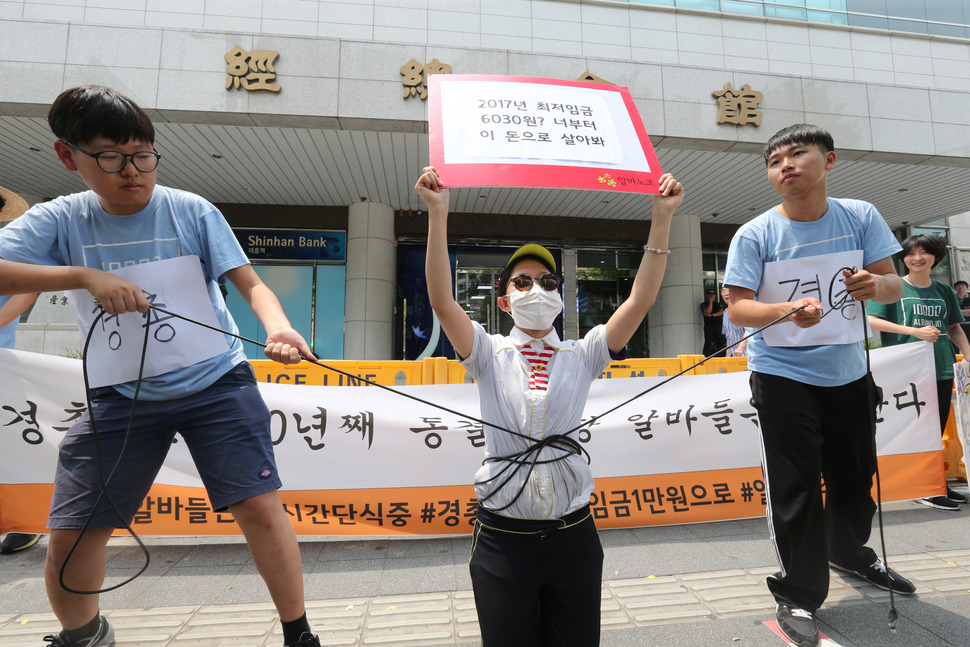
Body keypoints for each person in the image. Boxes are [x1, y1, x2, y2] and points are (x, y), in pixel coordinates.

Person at [0, 86, 320, 647]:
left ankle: (300, 634)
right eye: (111, 157)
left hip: (218, 383)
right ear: (67, 155)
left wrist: (277, 327)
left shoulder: (192, 209)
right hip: (118, 398)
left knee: (261, 510)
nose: (133, 171)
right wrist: (83, 276)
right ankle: (84, 634)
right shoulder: (60, 220)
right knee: (72, 531)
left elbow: (251, 283)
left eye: (143, 154)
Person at [415, 166, 683, 647]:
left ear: (560, 296)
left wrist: (660, 217)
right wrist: (438, 214)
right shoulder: (485, 351)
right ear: (503, 301)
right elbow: (440, 300)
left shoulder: (585, 353)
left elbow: (640, 301)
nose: (535, 290)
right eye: (522, 282)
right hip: (501, 537)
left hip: (574, 535)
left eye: (547, 281)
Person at [723, 124, 914, 647]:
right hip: (781, 374)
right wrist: (785, 309)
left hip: (849, 372)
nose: (784, 165)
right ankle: (799, 593)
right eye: (774, 159)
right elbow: (737, 305)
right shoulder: (755, 233)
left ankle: (851, 553)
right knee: (797, 488)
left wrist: (876, 286)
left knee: (854, 482)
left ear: (829, 161)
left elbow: (893, 281)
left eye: (797, 154)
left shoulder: (860, 216)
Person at [867, 234, 970, 510]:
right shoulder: (894, 287)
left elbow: (954, 327)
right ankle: (925, 486)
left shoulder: (944, 290)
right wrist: (912, 330)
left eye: (925, 252)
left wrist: (968, 353)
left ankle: (937, 482)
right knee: (917, 428)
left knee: (936, 428)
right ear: (904, 258)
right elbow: (871, 318)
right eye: (911, 253)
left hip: (941, 367)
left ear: (936, 257)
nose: (917, 258)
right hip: (907, 370)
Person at [720, 285, 747, 357]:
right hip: (732, 356)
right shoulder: (725, 312)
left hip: (746, 355)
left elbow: (750, 331)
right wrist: (727, 357)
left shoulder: (743, 310)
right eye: (723, 291)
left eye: (728, 291)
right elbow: (728, 337)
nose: (726, 293)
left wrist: (741, 348)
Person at [699, 289, 726, 356]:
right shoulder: (703, 304)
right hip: (709, 325)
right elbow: (708, 311)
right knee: (708, 341)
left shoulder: (718, 304)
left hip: (718, 325)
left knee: (721, 341)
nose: (711, 295)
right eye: (710, 294)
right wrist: (710, 302)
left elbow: (721, 312)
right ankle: (706, 357)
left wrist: (712, 315)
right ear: (707, 295)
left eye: (713, 294)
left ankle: (722, 356)